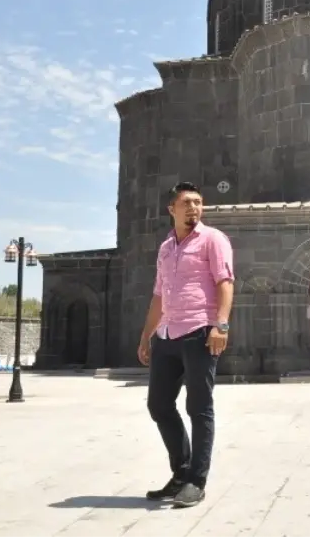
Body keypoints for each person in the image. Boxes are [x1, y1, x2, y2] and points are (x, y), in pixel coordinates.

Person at [137, 181, 235, 508]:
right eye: (186, 203)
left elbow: (225, 282)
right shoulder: (166, 248)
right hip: (167, 333)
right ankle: (180, 473)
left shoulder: (213, 239)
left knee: (199, 407)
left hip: (199, 331)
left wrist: (220, 325)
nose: (193, 207)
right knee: (159, 405)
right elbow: (157, 294)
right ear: (172, 209)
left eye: (198, 202)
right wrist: (146, 335)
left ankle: (196, 480)